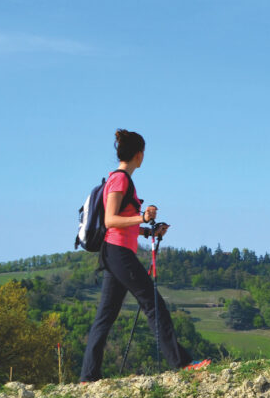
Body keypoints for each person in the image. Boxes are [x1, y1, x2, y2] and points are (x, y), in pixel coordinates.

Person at [80, 129, 209, 382]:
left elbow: (120, 222)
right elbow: (110, 220)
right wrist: (143, 217)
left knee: (105, 317)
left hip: (115, 251)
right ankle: (182, 363)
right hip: (118, 252)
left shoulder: (118, 179)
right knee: (153, 304)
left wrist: (147, 230)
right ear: (139, 154)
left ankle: (87, 377)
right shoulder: (120, 180)